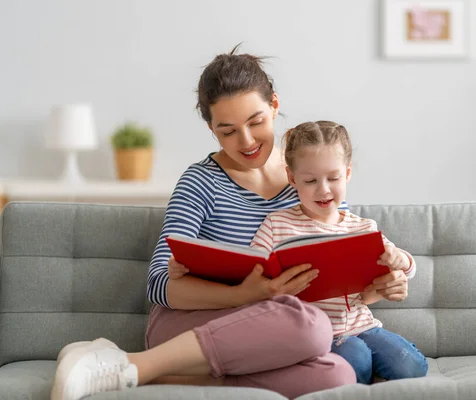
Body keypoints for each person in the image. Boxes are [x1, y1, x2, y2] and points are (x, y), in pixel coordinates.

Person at [50, 47, 409, 400]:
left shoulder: (313, 177)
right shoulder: (199, 182)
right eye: (228, 131)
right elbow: (159, 284)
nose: (247, 141)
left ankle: (161, 377)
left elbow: (339, 273)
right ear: (211, 129)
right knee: (312, 327)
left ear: (275, 106)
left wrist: (378, 282)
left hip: (272, 331)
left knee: (340, 375)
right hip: (191, 326)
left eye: (256, 122)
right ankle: (135, 364)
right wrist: (246, 294)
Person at [250, 121, 428, 384]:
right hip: (313, 334)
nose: (323, 190)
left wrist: (401, 260)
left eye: (333, 178)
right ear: (292, 178)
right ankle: (350, 373)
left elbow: (404, 270)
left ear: (347, 173)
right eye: (310, 181)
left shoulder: (362, 227)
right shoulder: (277, 225)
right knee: (356, 357)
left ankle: (364, 374)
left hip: (362, 326)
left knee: (411, 366)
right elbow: (251, 273)